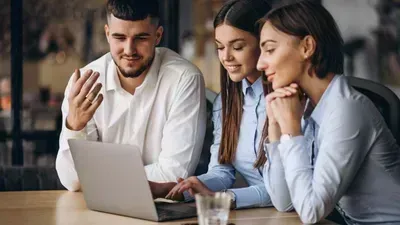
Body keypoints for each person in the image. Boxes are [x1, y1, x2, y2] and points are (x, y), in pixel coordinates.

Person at [257, 1, 400, 224]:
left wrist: (291, 131)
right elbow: (284, 202)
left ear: (307, 47)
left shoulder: (347, 109)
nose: (260, 64)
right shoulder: (306, 106)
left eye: (270, 50)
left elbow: (311, 212)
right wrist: (276, 128)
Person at [56, 0, 207, 196]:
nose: (129, 50)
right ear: (107, 34)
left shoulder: (184, 79)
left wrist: (95, 178)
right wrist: (74, 127)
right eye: (119, 37)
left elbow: (173, 175)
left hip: (163, 212)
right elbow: (72, 181)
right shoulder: (84, 83)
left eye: (141, 38)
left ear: (158, 36)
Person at [165, 0, 273, 209]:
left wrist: (225, 198)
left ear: (265, 44)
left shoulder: (289, 100)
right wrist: (184, 189)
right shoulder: (226, 102)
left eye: (238, 47)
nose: (226, 57)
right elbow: (222, 172)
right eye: (220, 47)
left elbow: (285, 193)